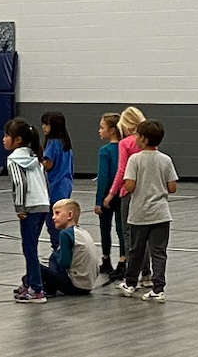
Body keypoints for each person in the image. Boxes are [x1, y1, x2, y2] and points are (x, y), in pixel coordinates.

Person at [119, 120, 177, 303]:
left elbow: (130, 185)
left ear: (143, 139)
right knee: (159, 252)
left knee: (136, 250)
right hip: (161, 213)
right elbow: (172, 187)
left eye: (136, 134)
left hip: (140, 213)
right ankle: (158, 288)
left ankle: (130, 283)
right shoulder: (166, 159)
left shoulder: (135, 159)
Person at [3, 118, 52, 303]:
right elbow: (45, 182)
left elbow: (19, 183)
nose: (3, 139)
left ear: (17, 140)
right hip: (43, 205)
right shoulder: (35, 157)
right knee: (32, 246)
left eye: (7, 135)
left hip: (30, 207)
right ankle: (30, 282)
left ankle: (37, 289)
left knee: (29, 249)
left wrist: (19, 207)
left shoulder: (14, 159)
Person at [102, 107, 147, 280]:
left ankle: (131, 271)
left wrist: (111, 193)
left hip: (128, 192)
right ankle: (146, 272)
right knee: (145, 235)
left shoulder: (126, 143)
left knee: (128, 233)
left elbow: (122, 171)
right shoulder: (148, 142)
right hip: (144, 192)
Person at [42, 199, 102, 296]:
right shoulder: (82, 232)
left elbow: (64, 263)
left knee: (38, 266)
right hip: (88, 285)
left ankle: (34, 288)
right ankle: (48, 287)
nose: (53, 217)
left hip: (75, 286)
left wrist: (55, 255)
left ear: (69, 215)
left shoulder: (65, 234)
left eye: (57, 213)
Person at [92, 113, 124, 281]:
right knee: (122, 229)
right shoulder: (126, 147)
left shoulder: (105, 151)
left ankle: (106, 259)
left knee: (105, 228)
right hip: (123, 193)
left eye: (102, 127)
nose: (99, 131)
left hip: (108, 195)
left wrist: (99, 200)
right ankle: (123, 259)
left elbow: (103, 176)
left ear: (112, 130)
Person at [40, 112, 75, 241]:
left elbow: (48, 164)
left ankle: (58, 247)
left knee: (53, 221)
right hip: (66, 185)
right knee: (63, 220)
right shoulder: (65, 144)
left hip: (55, 186)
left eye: (46, 124)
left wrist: (38, 161)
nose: (43, 127)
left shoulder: (53, 143)